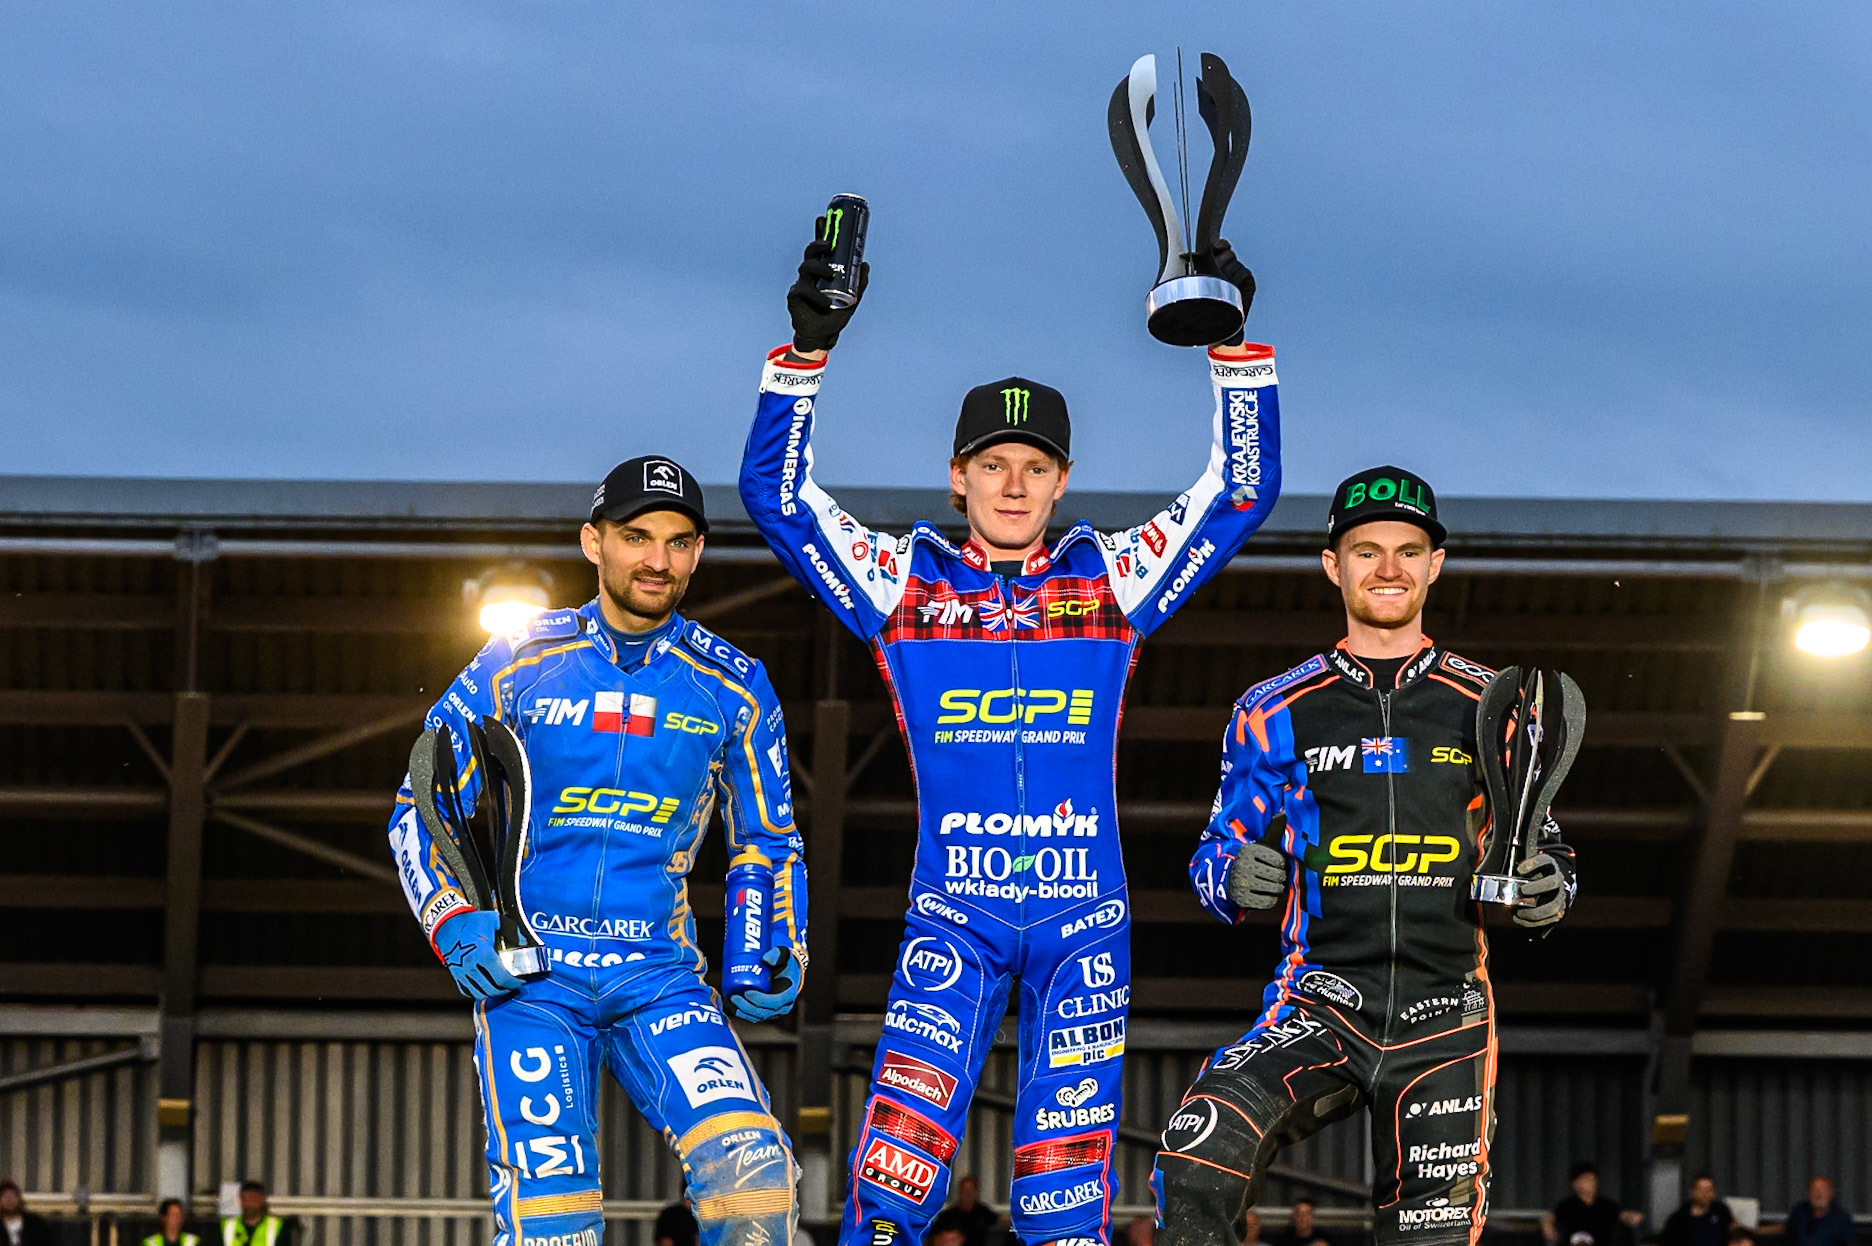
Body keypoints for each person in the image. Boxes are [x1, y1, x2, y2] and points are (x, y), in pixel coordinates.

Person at [741, 217, 1278, 1246]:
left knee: (1064, 1209)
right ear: (958, 477)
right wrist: (805, 354)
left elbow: (1239, 493)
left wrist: (1233, 349)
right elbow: (775, 496)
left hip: (1087, 927)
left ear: (1063, 479)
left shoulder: (1109, 576)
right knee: (891, 1191)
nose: (1016, 483)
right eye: (995, 464)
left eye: (1037, 464)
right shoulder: (903, 583)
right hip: (956, 918)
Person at [1151, 467, 1579, 1246]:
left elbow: (1539, 843)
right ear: (1333, 565)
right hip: (1318, 1004)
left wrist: (1554, 888)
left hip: (1445, 1016)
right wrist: (1231, 877)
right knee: (1195, 1153)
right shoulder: (1271, 706)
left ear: (1434, 565)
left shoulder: (1493, 702)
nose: (1389, 568)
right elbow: (1213, 853)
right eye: (1367, 550)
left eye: (1408, 551)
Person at [387, 457, 808, 1246]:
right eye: (637, 536)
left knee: (753, 1178)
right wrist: (452, 920)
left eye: (681, 542)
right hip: (534, 977)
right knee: (554, 1218)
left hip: (660, 978)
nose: (659, 560)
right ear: (593, 542)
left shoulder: (736, 685)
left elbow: (766, 839)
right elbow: (422, 798)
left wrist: (773, 943)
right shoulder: (513, 663)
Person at [1543, 1162, 1643, 1246]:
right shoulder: (1567, 1205)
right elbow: (1549, 1217)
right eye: (1587, 1180)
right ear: (1576, 1184)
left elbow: (1622, 1215)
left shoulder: (1607, 1205)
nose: (1592, 1183)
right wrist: (1547, 1226)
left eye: (1594, 1179)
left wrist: (1632, 1217)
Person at [1760, 1178, 1853, 1246]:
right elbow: (1785, 1228)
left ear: (1831, 1193)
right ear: (1808, 1194)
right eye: (1814, 1190)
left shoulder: (1842, 1219)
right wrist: (1754, 1231)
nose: (1819, 1194)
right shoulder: (1800, 1211)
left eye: (1823, 1190)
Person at [1661, 1177, 1735, 1246]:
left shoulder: (1721, 1210)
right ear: (1692, 1192)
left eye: (1709, 1190)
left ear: (1714, 1193)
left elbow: (1735, 1229)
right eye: (1701, 1190)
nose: (1705, 1194)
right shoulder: (1679, 1217)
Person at [221, 1182, 289, 1246]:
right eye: (245, 1199)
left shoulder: (279, 1226)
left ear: (262, 1200)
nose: (249, 1204)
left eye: (253, 1199)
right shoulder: (226, 1225)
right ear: (240, 1201)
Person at [949, 1177, 1001, 1246]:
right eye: (965, 1191)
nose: (968, 1194)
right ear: (959, 1192)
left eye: (971, 1190)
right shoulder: (948, 1216)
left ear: (976, 1193)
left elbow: (1000, 1221)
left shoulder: (983, 1212)